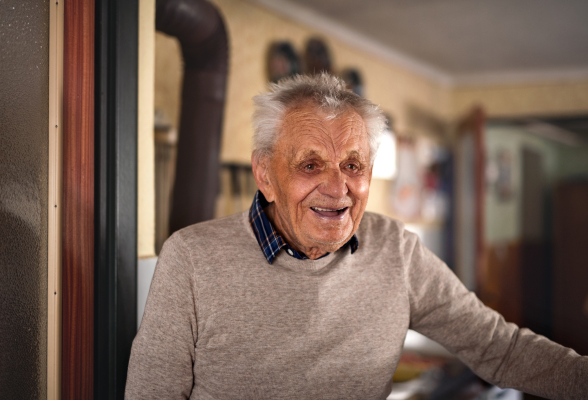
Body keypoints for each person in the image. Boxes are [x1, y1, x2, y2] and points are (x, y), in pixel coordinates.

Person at [125, 73, 587, 399]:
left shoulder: (397, 250)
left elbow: (498, 348)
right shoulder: (190, 257)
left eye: (352, 165)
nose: (337, 187)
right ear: (265, 174)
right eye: (310, 165)